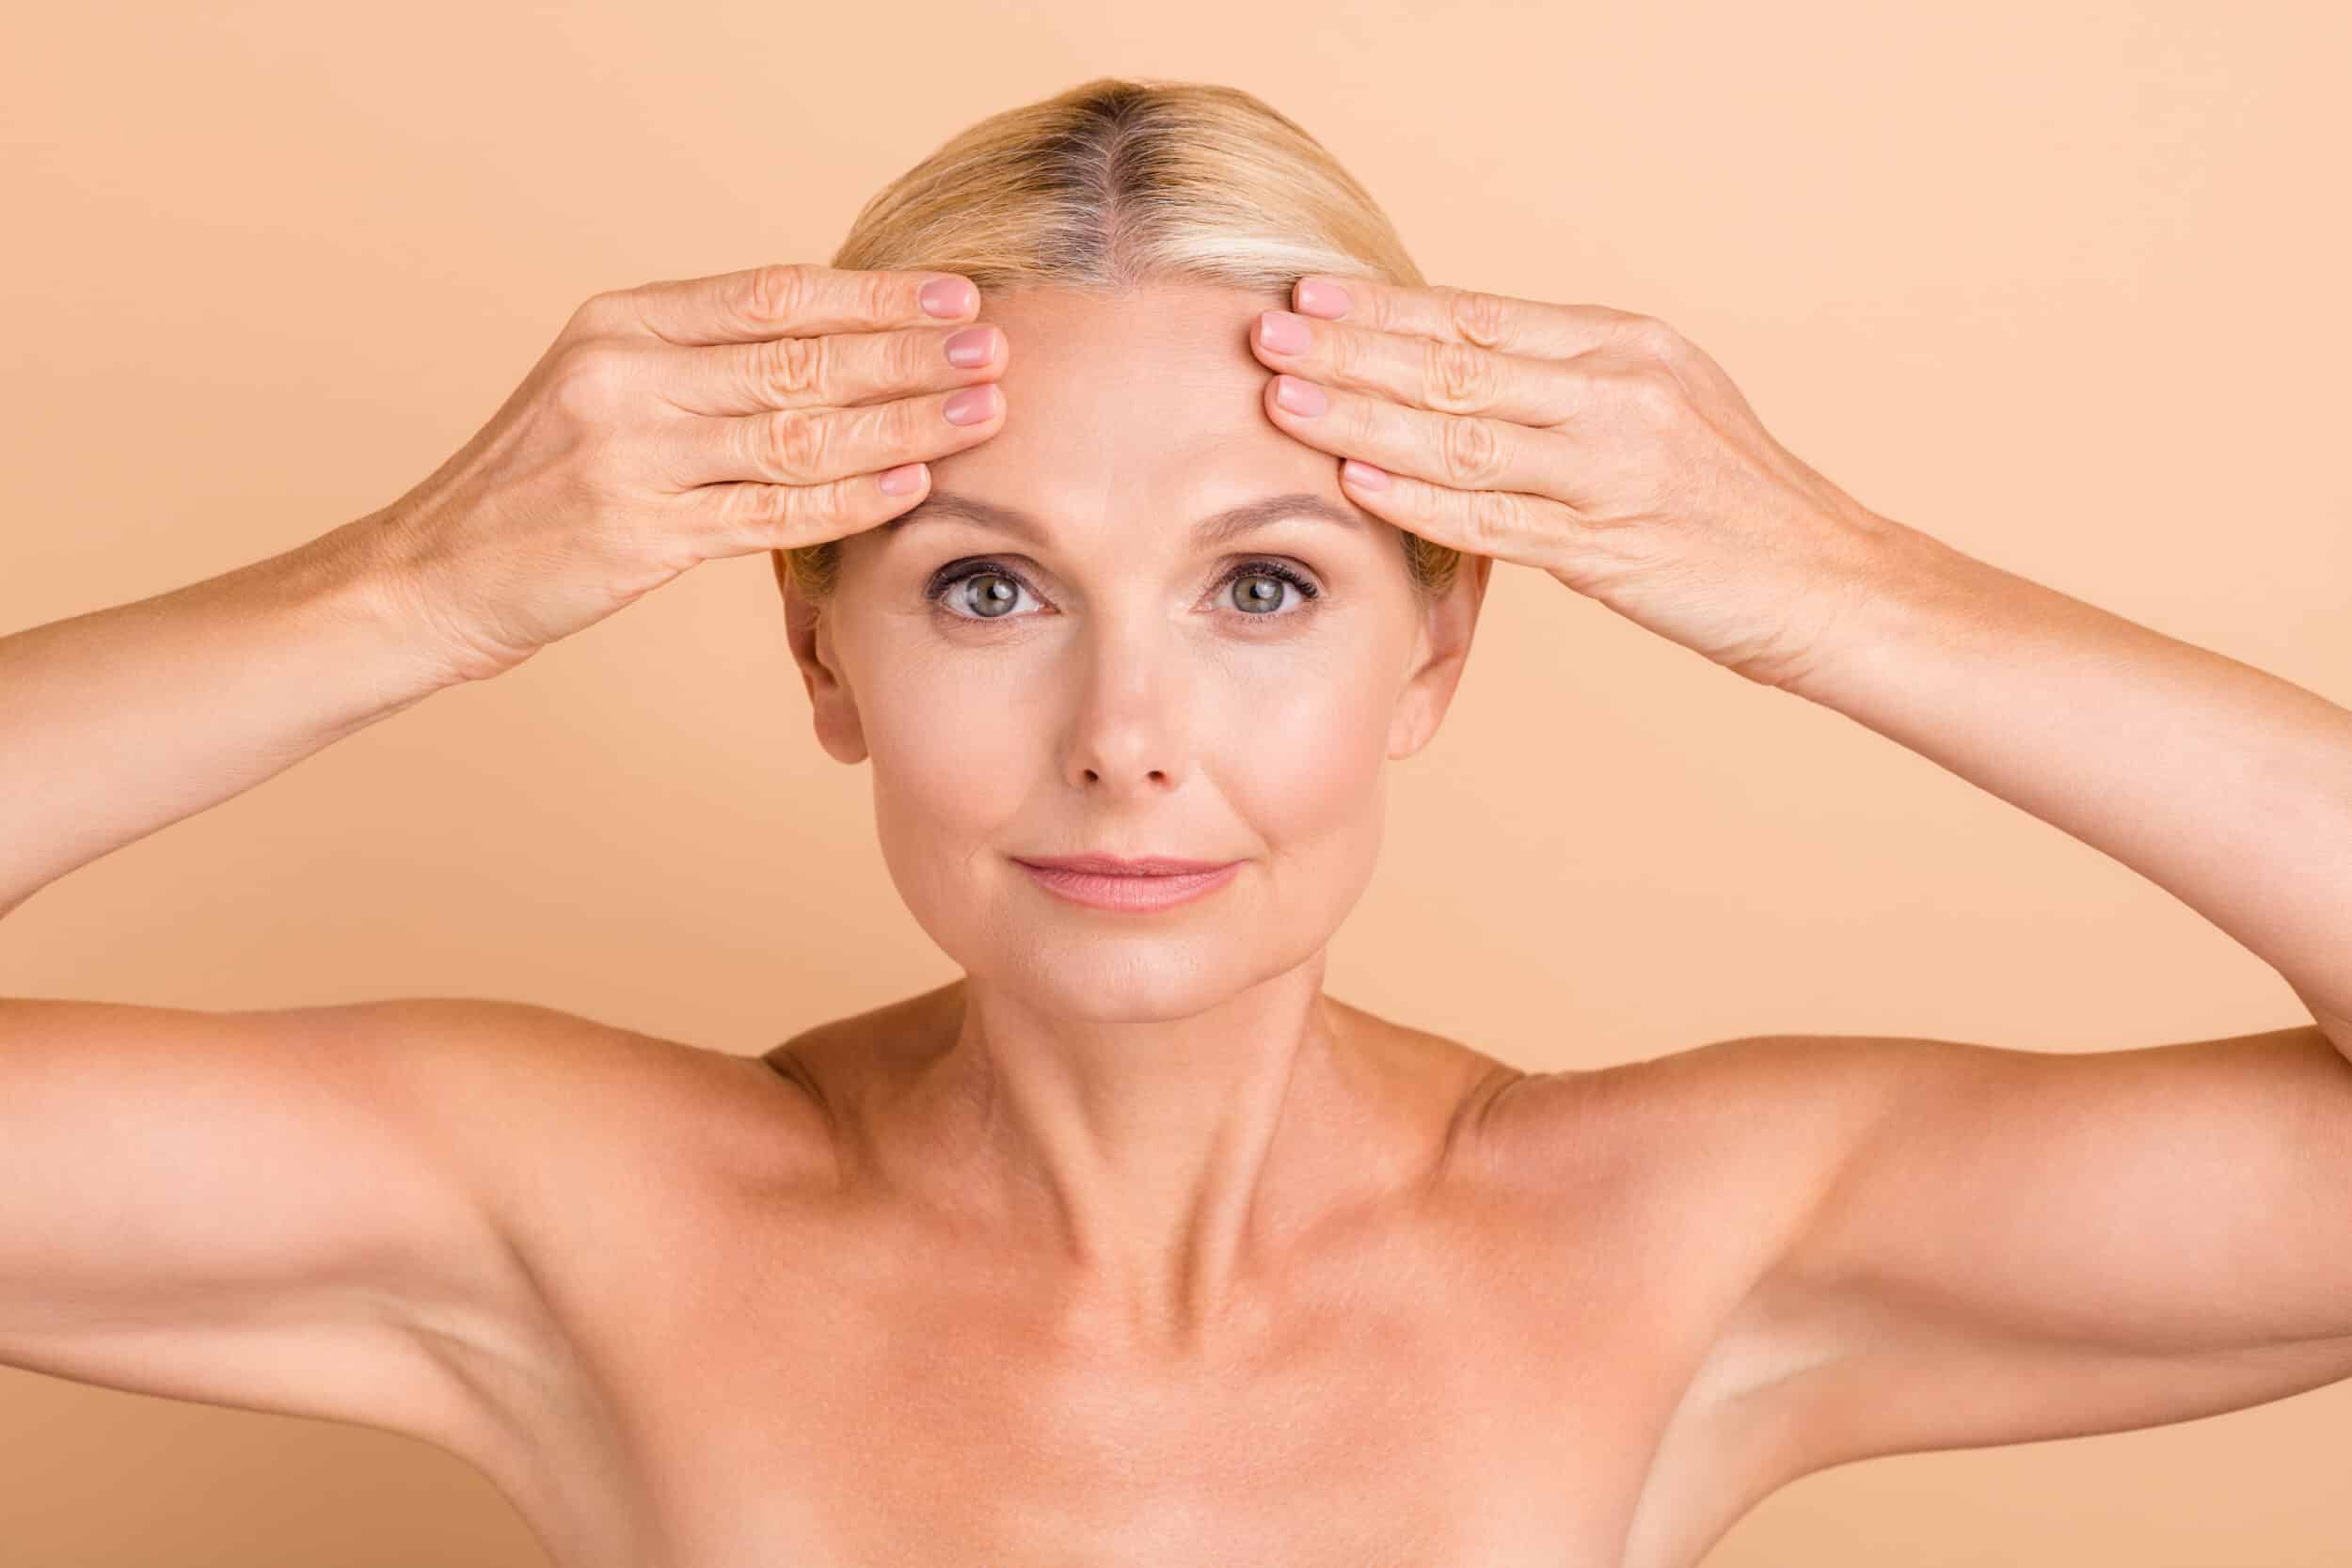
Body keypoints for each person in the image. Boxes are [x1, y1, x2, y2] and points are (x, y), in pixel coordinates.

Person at [6, 75, 2352, 1568]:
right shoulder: (572, 1216)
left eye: (1260, 586)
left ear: (1432, 652)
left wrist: (1838, 586)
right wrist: (410, 588)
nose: (1126, 731)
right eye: (988, 585)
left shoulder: (1689, 1242)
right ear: (823, 659)